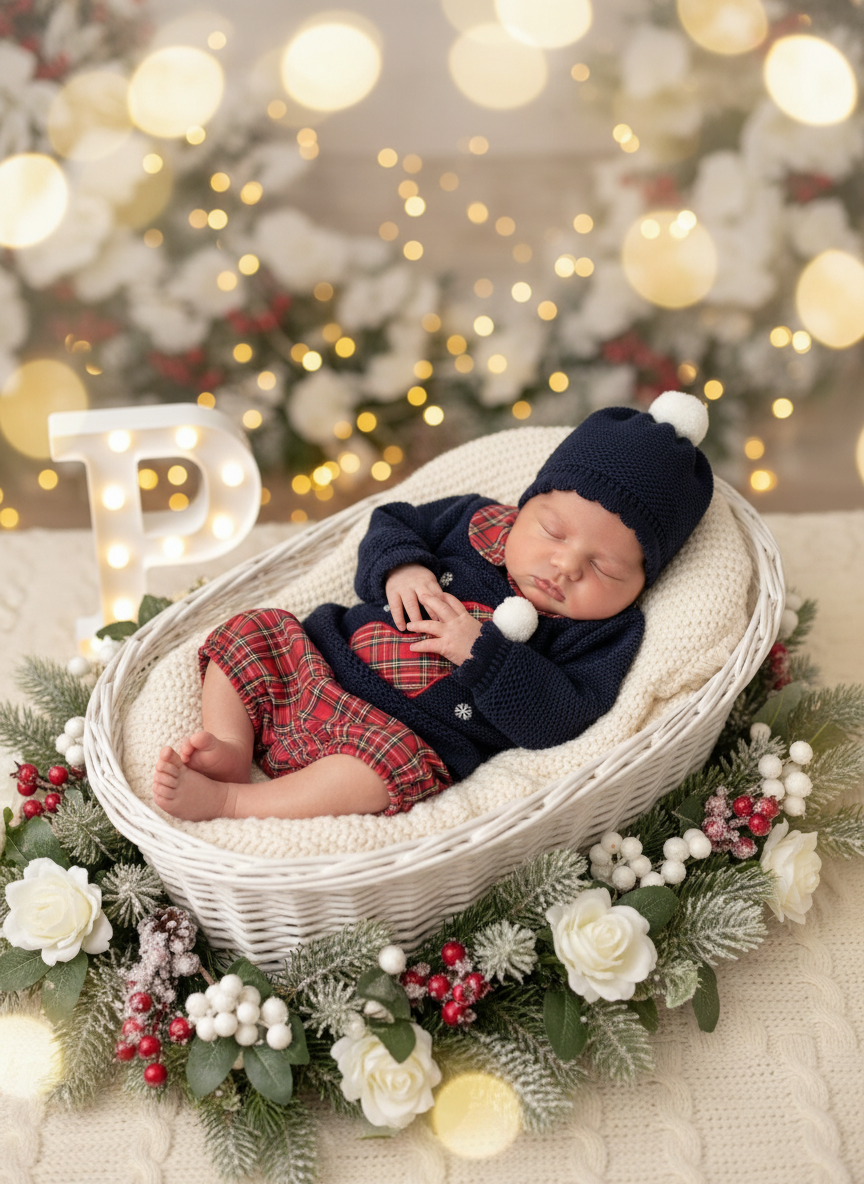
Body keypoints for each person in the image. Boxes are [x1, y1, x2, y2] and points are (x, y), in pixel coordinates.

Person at [152, 391, 713, 823]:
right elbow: (393, 520)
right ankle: (230, 743)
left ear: (641, 583)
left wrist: (484, 654)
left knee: (377, 774)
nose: (566, 566)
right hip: (317, 660)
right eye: (553, 531)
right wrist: (403, 566)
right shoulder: (475, 520)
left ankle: (232, 802)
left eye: (605, 569)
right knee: (253, 632)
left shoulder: (603, 633)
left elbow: (562, 719)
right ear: (526, 504)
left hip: (393, 735)